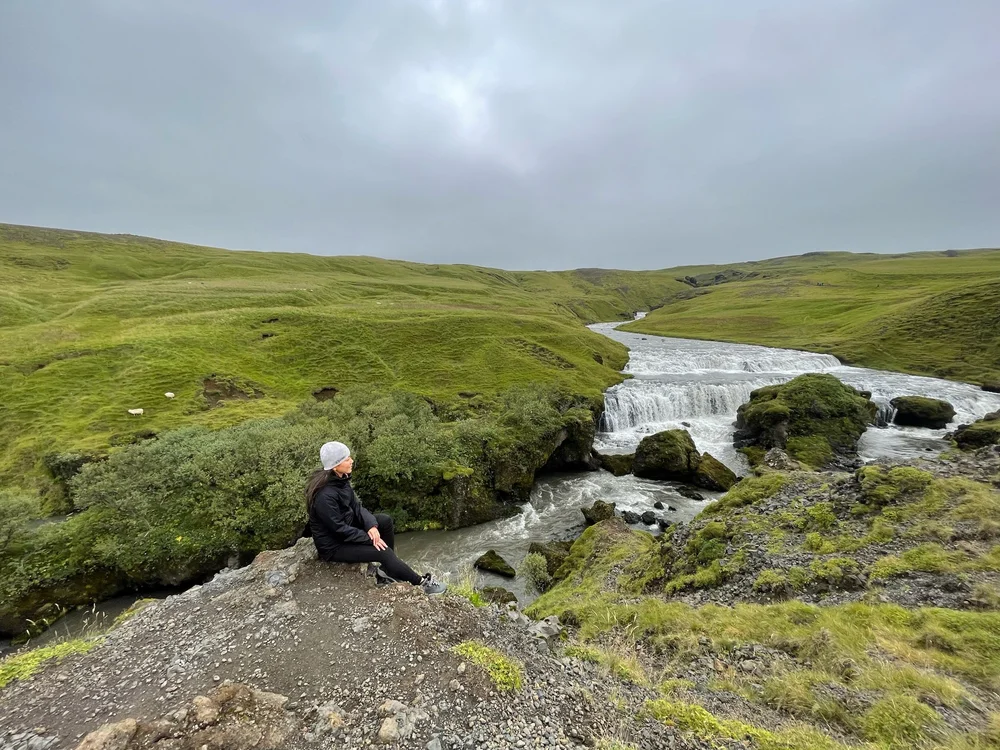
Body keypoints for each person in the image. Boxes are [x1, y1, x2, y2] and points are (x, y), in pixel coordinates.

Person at [306, 440, 446, 595]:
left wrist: (371, 526)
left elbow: (357, 507)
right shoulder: (324, 496)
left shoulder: (340, 479)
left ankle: (389, 568)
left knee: (384, 521)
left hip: (346, 529)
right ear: (335, 465)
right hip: (334, 546)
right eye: (346, 459)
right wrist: (369, 538)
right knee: (382, 550)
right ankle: (422, 583)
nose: (351, 461)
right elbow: (338, 529)